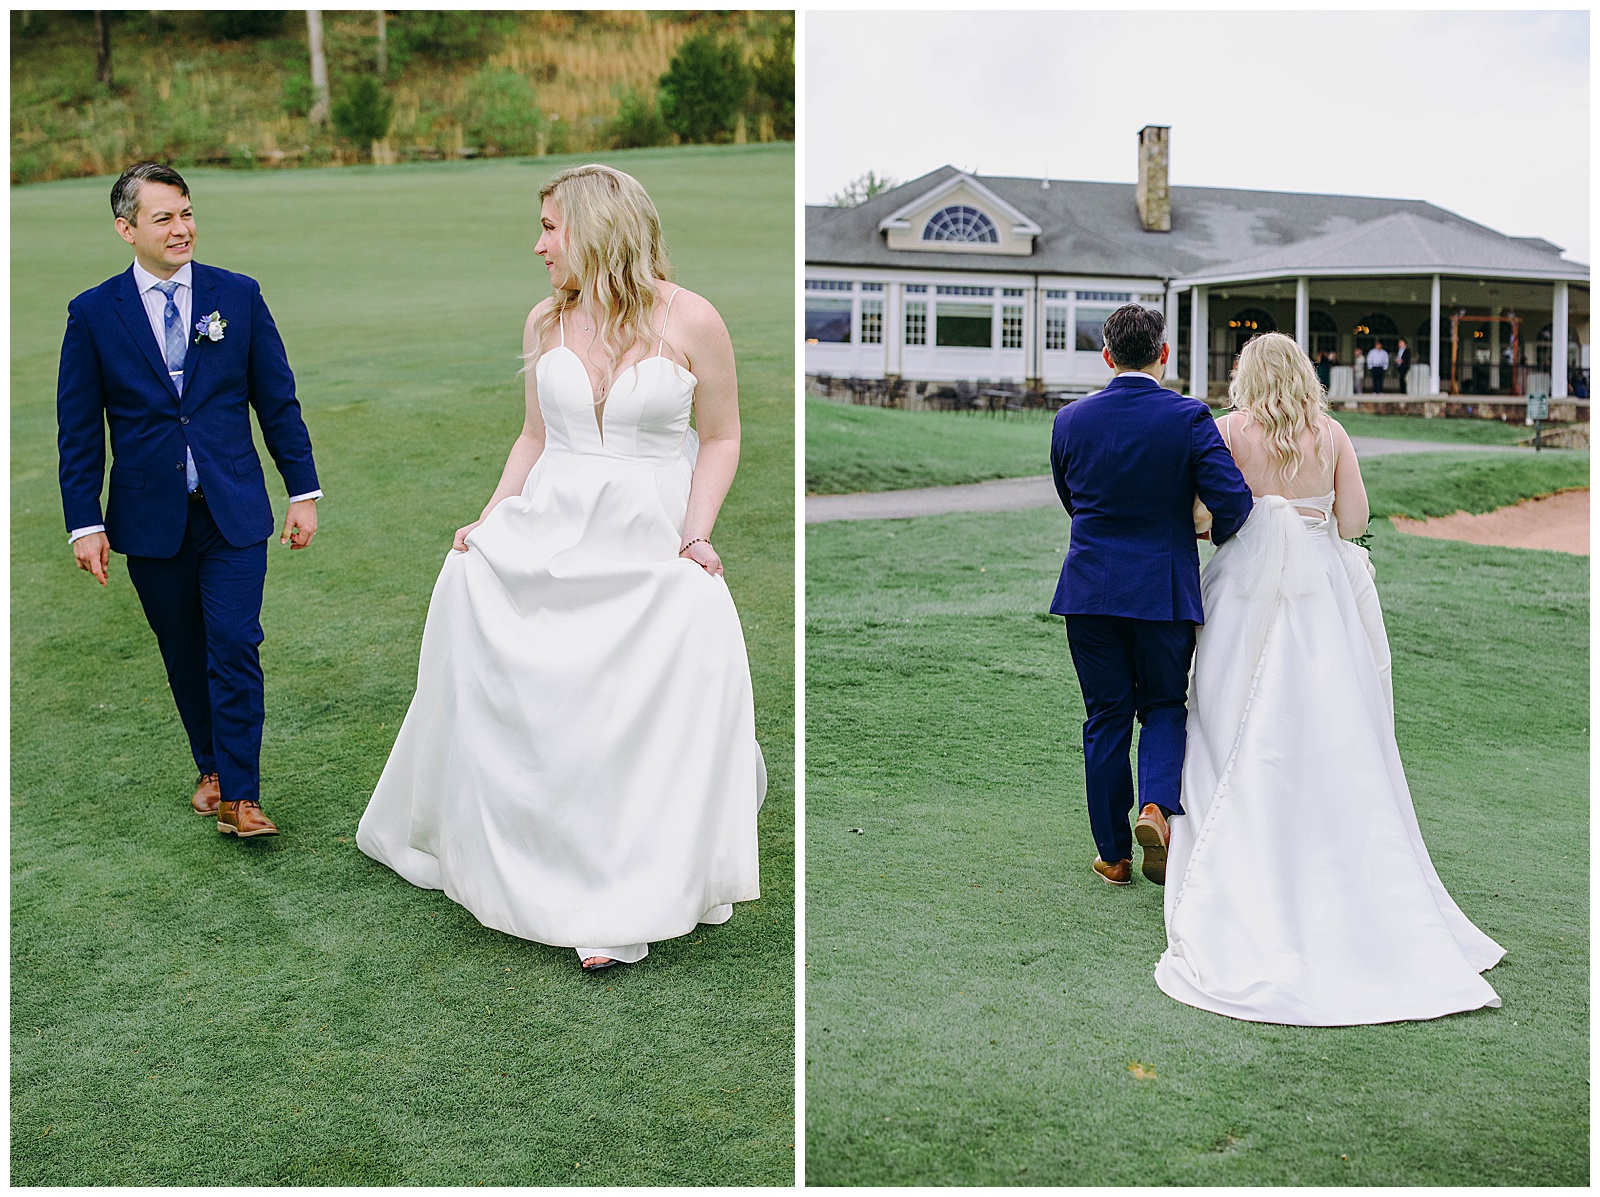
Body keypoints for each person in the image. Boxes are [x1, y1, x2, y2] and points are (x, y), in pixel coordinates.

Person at [356, 164, 763, 972]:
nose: (538, 244)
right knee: (467, 583)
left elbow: (719, 436)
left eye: (551, 227)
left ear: (595, 228)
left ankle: (625, 891)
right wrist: (493, 513)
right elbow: (535, 437)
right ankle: (521, 850)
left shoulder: (693, 319)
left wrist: (695, 534)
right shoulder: (547, 320)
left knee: (681, 638)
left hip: (645, 536)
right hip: (550, 525)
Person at [1154, 332, 1503, 1025]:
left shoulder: (1227, 431)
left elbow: (1205, 515)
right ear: (1305, 374)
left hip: (1244, 595)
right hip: (1321, 597)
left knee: (1227, 717)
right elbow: (1355, 520)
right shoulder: (1332, 432)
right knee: (1330, 723)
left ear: (1246, 376)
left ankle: (1244, 857)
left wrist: (1251, 515)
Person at [56, 162, 321, 838]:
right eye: (163, 218)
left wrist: (302, 489)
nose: (183, 228)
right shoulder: (92, 315)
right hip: (148, 519)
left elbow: (277, 400)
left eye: (187, 213)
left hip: (232, 511)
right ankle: (210, 765)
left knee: (234, 643)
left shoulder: (238, 294)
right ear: (127, 229)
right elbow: (80, 428)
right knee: (184, 651)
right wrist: (85, 521)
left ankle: (242, 795)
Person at [1049, 304, 1254, 887]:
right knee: (1164, 706)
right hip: (1164, 591)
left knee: (1105, 716)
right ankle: (1155, 809)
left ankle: (1112, 855)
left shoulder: (1069, 420)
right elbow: (1233, 502)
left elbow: (1074, 499)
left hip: (1089, 590)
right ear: (1163, 354)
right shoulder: (1190, 418)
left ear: (1107, 356)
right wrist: (1191, 528)